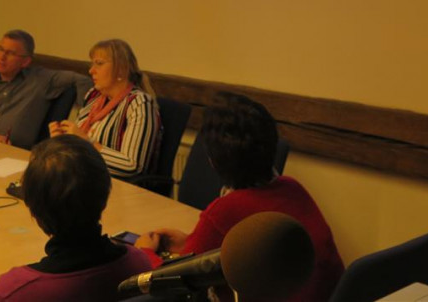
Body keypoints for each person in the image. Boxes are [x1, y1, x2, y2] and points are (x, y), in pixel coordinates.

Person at [136, 92, 344, 302]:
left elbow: (171, 284)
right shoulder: (293, 188)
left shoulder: (224, 211)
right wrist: (190, 242)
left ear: (212, 161)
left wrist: (145, 253)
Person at [0, 134, 152, 301]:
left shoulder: (13, 293)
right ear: (105, 198)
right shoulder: (139, 267)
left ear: (33, 209)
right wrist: (148, 252)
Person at [48, 38, 160, 178]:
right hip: (81, 175)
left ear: (121, 70)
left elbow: (133, 166)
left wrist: (86, 143)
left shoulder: (139, 103)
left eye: (99, 64)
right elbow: (78, 147)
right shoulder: (93, 96)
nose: (91, 70)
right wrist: (63, 141)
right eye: (92, 64)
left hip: (112, 184)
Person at [0, 30, 89, 149]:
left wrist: (84, 120)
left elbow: (82, 81)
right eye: (1, 49)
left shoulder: (41, 80)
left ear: (25, 61)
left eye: (10, 53)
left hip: (14, 153)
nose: (2, 57)